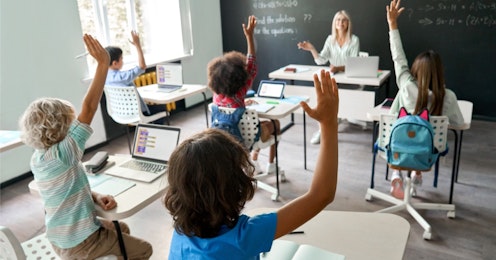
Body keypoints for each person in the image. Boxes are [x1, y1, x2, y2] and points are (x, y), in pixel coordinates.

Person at [164, 68, 339, 259]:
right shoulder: (243, 237)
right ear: (235, 184)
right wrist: (328, 123)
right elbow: (321, 195)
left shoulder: (180, 232)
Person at [19, 34, 153, 259]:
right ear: (61, 126)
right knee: (144, 249)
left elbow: (67, 189)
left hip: (60, 238)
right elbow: (89, 107)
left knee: (123, 229)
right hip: (81, 242)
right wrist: (102, 63)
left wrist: (96, 196)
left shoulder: (39, 158)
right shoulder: (65, 152)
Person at [386, 0, 464, 199]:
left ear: (415, 71)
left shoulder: (406, 86)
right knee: (424, 138)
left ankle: (396, 172)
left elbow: (398, 58)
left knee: (407, 131)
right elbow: (458, 124)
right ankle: (416, 171)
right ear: (439, 72)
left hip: (397, 146)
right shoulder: (448, 97)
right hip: (427, 152)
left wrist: (392, 24)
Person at [208, 15, 281, 174]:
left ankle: (253, 162)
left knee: (256, 123)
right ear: (240, 76)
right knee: (275, 123)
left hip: (224, 138)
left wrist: (242, 104)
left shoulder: (216, 94)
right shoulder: (241, 91)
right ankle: (269, 164)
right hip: (246, 138)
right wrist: (249, 36)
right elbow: (252, 63)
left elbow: (230, 104)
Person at [297, 10, 360, 144]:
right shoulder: (330, 40)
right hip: (333, 79)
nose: (341, 23)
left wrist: (338, 67)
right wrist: (312, 49)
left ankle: (329, 125)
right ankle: (322, 130)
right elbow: (321, 60)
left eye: (344, 20)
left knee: (328, 94)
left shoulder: (354, 40)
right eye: (338, 20)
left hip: (349, 81)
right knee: (322, 97)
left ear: (348, 23)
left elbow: (354, 63)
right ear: (334, 23)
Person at [105, 30, 166, 124]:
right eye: (122, 58)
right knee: (161, 108)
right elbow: (142, 67)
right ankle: (159, 134)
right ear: (115, 63)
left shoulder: (104, 78)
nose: (123, 61)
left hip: (120, 114)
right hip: (139, 114)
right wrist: (138, 45)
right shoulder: (123, 77)